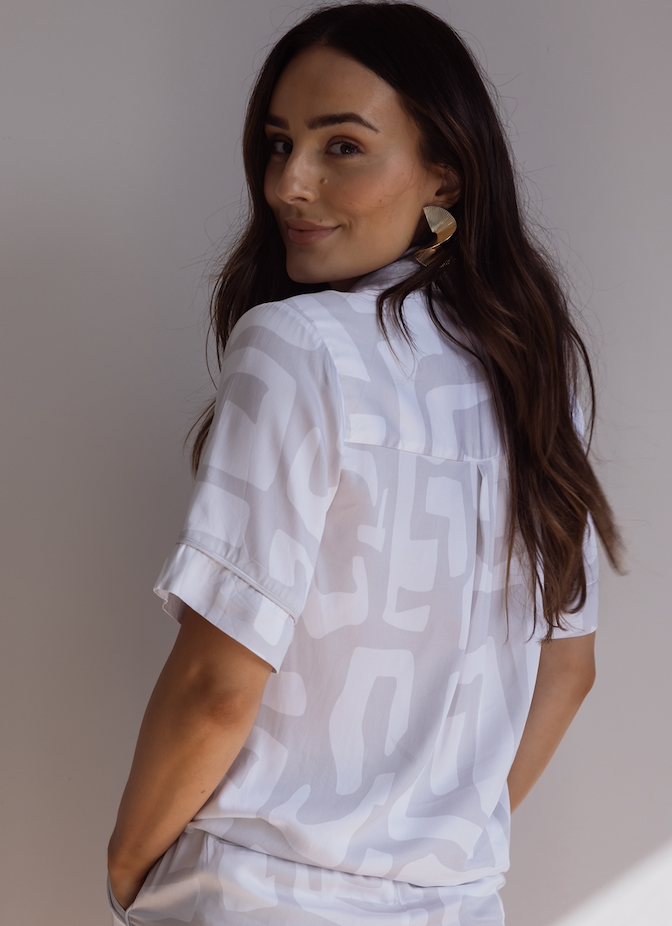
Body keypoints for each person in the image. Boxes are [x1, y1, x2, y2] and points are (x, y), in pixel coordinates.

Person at [107, 3, 621, 924]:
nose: (288, 185)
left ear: (446, 176)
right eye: (277, 145)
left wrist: (128, 866)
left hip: (251, 893)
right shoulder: (536, 376)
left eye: (341, 146)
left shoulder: (296, 346)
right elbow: (568, 671)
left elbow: (218, 684)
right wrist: (435, 852)